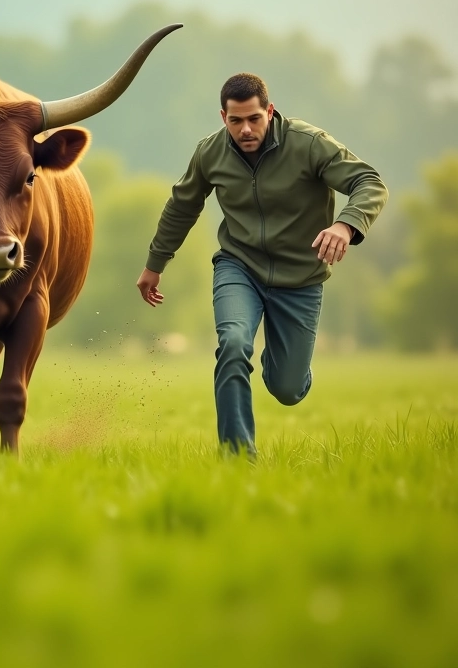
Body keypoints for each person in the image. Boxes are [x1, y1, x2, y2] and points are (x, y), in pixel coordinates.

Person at [136, 73, 388, 456]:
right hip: (239, 267)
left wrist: (345, 224)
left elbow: (369, 182)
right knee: (234, 344)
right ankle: (238, 457)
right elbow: (182, 206)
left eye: (254, 118)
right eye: (235, 121)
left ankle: (285, 360)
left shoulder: (308, 144)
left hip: (301, 278)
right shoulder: (210, 152)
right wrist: (155, 263)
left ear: (269, 111)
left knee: (288, 389)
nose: (246, 129)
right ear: (223, 118)